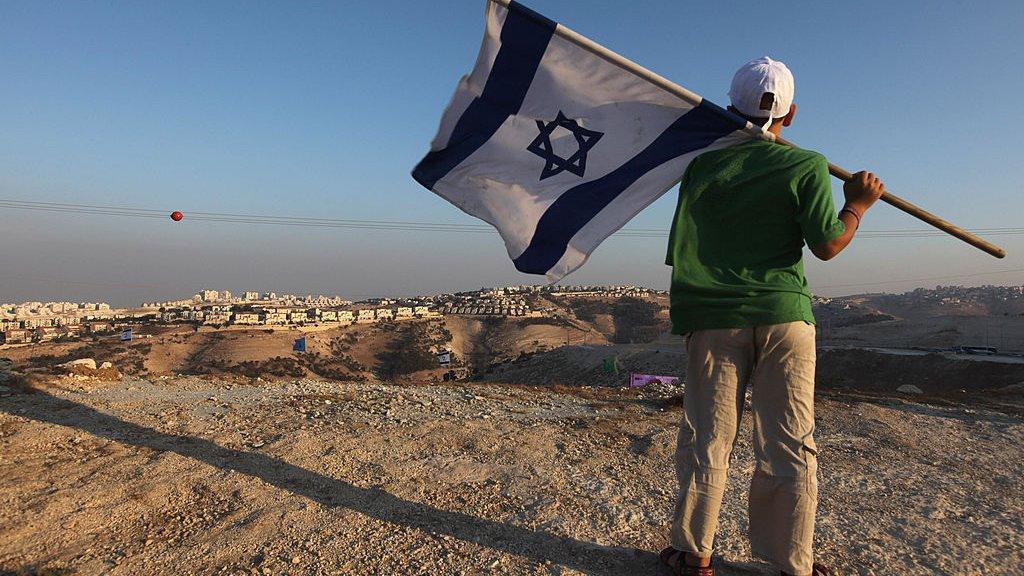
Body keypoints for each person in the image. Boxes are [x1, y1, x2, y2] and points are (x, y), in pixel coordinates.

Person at [658, 57, 886, 576]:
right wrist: (859, 205)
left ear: (729, 107)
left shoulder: (701, 166)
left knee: (708, 436)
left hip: (714, 315)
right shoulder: (806, 165)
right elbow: (828, 244)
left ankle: (694, 556)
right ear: (793, 113)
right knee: (789, 439)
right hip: (785, 316)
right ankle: (793, 565)